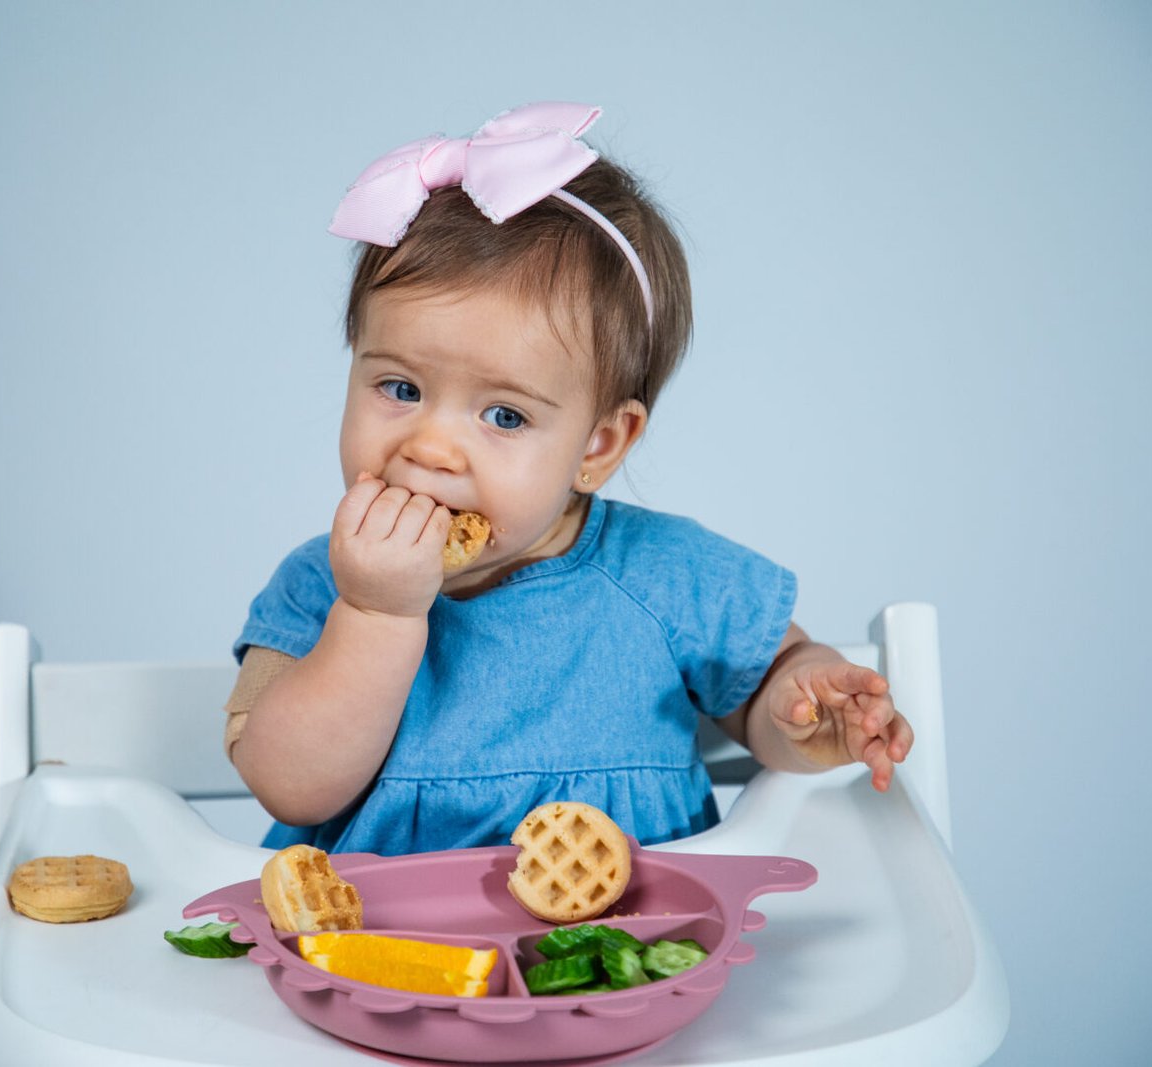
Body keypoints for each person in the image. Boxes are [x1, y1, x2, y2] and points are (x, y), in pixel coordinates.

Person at [223, 102, 912, 856]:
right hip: (380, 960)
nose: (432, 448)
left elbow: (768, 675)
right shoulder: (322, 583)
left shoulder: (662, 576)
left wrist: (801, 701)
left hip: (627, 958)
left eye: (505, 416)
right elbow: (288, 784)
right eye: (401, 388)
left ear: (600, 443)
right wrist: (377, 613)